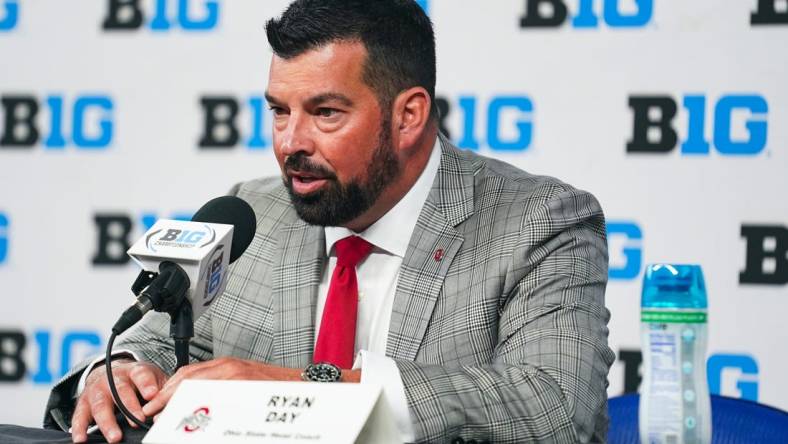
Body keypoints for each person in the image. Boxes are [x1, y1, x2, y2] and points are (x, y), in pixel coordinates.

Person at [45, 0, 615, 442]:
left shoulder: (538, 222)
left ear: (408, 115)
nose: (290, 143)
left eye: (325, 113)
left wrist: (302, 389)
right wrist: (119, 370)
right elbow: (153, 346)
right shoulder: (254, 213)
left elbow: (556, 409)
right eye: (278, 111)